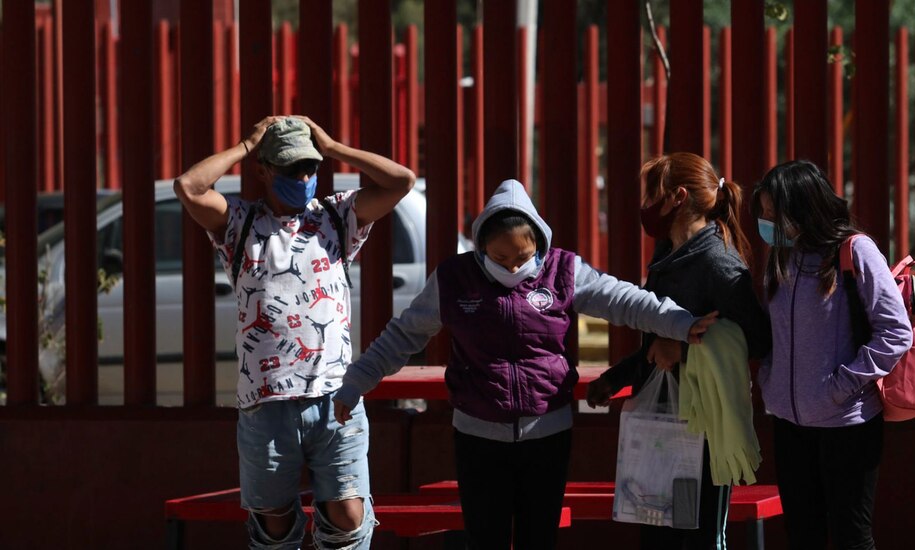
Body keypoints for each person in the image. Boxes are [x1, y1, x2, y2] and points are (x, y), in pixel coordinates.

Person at [334, 178, 717, 550]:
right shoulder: (454, 279)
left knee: (539, 538)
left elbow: (627, 301)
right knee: (486, 539)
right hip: (477, 434)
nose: (512, 267)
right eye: (500, 258)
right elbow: (402, 336)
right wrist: (354, 384)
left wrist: (681, 324)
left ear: (539, 245)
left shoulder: (564, 271)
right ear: (481, 245)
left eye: (522, 257)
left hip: (548, 432)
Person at [174, 115, 416, 549]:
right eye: (290, 169)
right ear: (263, 171)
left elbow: (401, 181)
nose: (303, 178)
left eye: (309, 168)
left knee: (347, 515)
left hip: (334, 397)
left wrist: (335, 147)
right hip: (266, 403)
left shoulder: (337, 217)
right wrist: (247, 145)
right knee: (274, 525)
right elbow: (189, 187)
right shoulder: (241, 224)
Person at [586, 152, 772, 550]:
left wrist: (683, 349)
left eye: (652, 194)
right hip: (661, 425)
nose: (645, 204)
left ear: (677, 198)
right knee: (655, 528)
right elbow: (657, 345)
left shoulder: (719, 264)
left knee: (696, 534)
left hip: (702, 427)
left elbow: (755, 340)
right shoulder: (665, 256)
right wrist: (615, 378)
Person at [751, 160, 911, 550]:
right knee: (802, 535)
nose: (768, 223)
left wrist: (841, 386)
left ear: (804, 208)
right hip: (790, 422)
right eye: (765, 214)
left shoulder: (855, 252)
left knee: (850, 537)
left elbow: (896, 331)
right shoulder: (781, 258)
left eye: (776, 214)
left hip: (847, 423)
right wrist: (770, 380)